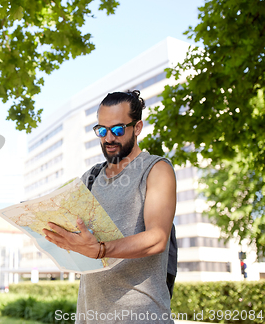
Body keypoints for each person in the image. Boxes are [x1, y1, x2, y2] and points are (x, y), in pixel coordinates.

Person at [43, 90, 177, 324]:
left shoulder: (156, 169)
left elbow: (157, 238)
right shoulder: (91, 177)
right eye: (102, 130)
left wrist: (101, 249)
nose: (108, 138)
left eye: (117, 130)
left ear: (137, 128)